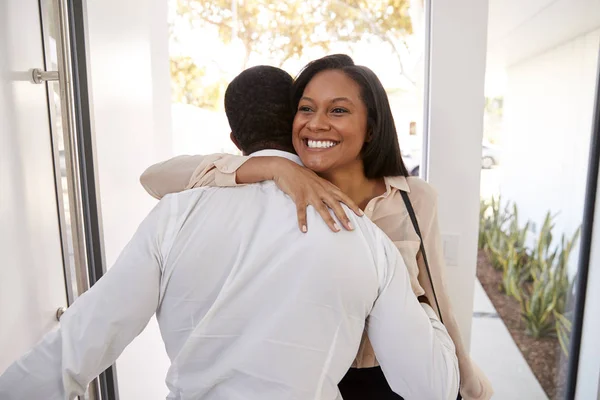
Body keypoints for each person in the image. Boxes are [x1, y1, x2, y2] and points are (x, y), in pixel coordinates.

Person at [0, 66, 459, 400]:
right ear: (294, 126)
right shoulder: (365, 239)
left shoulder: (176, 215)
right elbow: (431, 387)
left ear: (235, 139)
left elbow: (78, 346)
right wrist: (421, 306)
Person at [141, 55, 493, 400]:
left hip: (391, 378)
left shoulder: (413, 198)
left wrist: (466, 379)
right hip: (310, 377)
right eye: (306, 109)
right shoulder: (278, 193)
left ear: (371, 127)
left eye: (337, 110)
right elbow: (155, 178)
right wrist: (274, 168)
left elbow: (436, 296)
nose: (317, 123)